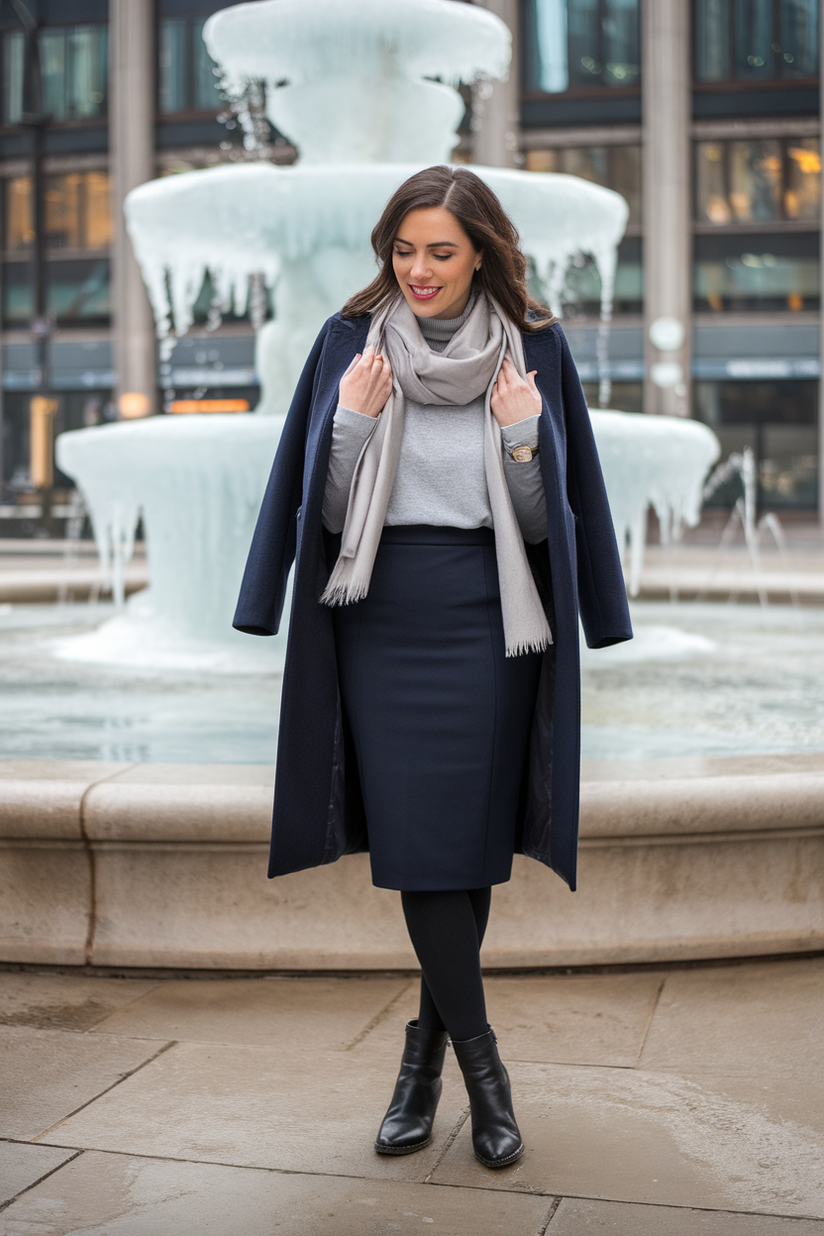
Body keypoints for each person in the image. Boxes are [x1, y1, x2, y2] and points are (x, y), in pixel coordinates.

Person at [234, 165, 632, 1169]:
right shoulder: (344, 342)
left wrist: (520, 443)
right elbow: (320, 518)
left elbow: (549, 524)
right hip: (380, 615)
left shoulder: (533, 346)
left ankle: (420, 1059)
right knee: (421, 846)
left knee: (461, 846)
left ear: (481, 253)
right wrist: (355, 422)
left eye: (439, 252)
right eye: (402, 250)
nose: (416, 270)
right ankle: (485, 1080)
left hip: (493, 617)